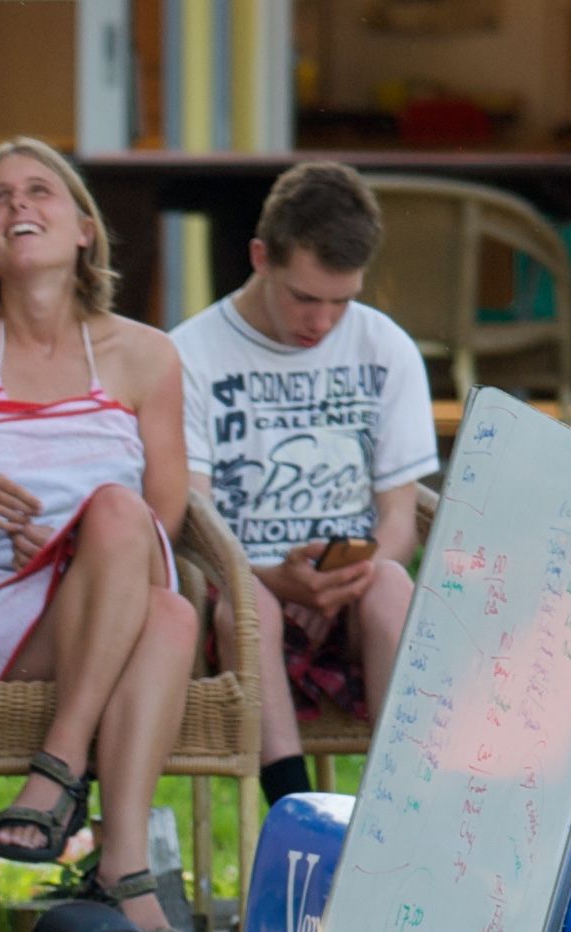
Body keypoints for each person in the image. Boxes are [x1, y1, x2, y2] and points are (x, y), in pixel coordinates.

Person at [0, 138, 207, 932]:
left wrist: (87, 547)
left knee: (151, 574)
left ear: (85, 231)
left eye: (40, 192)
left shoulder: (147, 356)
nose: (18, 206)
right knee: (156, 597)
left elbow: (163, 517)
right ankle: (115, 855)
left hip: (107, 594)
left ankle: (81, 803)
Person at [172, 162, 435, 799]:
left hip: (349, 585)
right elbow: (193, 520)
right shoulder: (189, 354)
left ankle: (403, 808)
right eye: (304, 297)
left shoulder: (385, 349)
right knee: (249, 611)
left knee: (393, 584)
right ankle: (290, 805)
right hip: (237, 588)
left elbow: (399, 521)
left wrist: (344, 580)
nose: (321, 321)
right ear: (261, 257)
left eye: (342, 302)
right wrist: (273, 582)